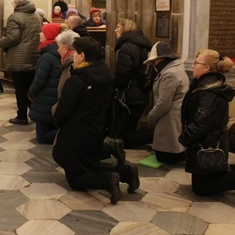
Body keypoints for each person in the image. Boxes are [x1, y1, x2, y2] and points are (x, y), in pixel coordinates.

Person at [179, 49, 235, 202]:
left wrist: (184, 138)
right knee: (207, 177)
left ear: (207, 68)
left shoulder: (209, 92)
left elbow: (202, 123)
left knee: (201, 188)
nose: (193, 66)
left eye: (196, 63)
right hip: (208, 141)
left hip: (208, 142)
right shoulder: (205, 84)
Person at [52, 36, 122, 204]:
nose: (73, 55)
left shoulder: (77, 81)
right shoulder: (106, 76)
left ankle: (106, 180)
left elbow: (62, 114)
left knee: (76, 179)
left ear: (82, 55)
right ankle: (126, 172)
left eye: (75, 52)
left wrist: (57, 119)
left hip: (75, 136)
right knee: (88, 164)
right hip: (97, 131)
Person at [0, 0, 42, 125]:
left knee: (20, 89)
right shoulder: (37, 16)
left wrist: (1, 41)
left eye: (13, 3)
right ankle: (35, 113)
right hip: (34, 56)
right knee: (29, 87)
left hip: (19, 58)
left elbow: (13, 38)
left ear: (17, 4)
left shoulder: (15, 17)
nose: (13, 6)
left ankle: (22, 116)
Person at [143, 41, 188, 163]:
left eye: (154, 62)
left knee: (165, 156)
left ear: (161, 59)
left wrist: (151, 118)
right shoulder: (172, 69)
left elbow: (163, 104)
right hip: (171, 119)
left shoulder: (170, 74)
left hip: (169, 120)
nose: (153, 65)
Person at [113, 18, 152, 148]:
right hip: (142, 91)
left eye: (118, 27)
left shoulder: (126, 47)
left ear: (125, 28)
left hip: (130, 94)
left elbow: (122, 73)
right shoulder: (144, 44)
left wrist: (115, 86)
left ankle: (153, 135)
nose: (115, 30)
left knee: (124, 136)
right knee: (129, 127)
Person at [28, 23, 62, 144]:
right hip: (51, 98)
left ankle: (70, 133)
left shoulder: (47, 56)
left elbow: (39, 80)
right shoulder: (56, 51)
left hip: (45, 100)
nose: (39, 34)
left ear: (49, 35)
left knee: (42, 137)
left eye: (42, 32)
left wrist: (31, 93)